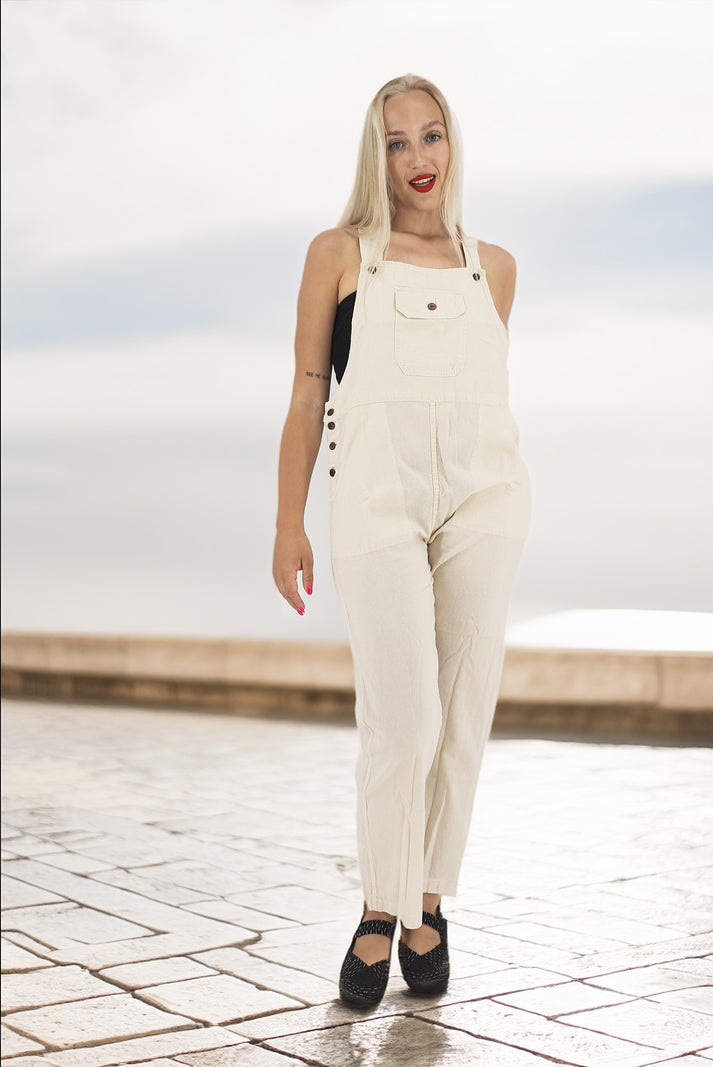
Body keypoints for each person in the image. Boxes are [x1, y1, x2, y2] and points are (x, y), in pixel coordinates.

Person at [272, 73, 530, 1006]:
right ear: (374, 157)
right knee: (404, 716)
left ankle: (425, 899)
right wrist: (287, 518)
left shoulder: (491, 266)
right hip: (374, 497)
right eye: (396, 142)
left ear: (452, 146)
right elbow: (310, 389)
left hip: (485, 497)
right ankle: (379, 905)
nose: (418, 159)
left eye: (432, 136)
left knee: (460, 717)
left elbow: (477, 399)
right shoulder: (341, 253)